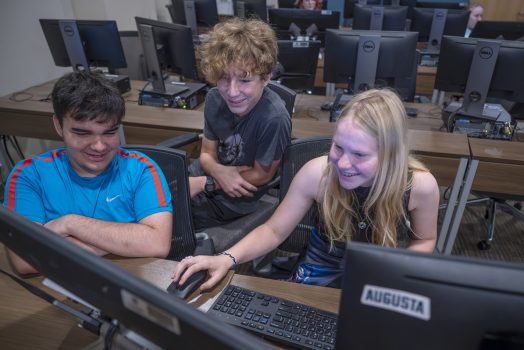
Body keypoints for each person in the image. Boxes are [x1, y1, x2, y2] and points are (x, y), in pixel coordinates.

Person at [173, 88, 440, 289]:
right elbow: (273, 230)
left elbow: (425, 240)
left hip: (383, 267)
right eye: (338, 147)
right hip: (323, 260)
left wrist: (399, 271)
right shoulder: (318, 173)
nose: (343, 163)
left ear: (391, 155)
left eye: (360, 154)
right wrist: (227, 258)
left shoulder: (419, 185)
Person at [3, 71, 173, 275]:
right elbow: (24, 259)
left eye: (110, 133)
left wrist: (69, 224)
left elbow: (157, 244)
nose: (99, 147)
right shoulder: (29, 175)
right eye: (83, 133)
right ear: (58, 125)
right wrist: (120, 242)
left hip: (129, 282)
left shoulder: (141, 169)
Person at [188, 17, 292, 230]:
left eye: (244, 80)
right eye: (224, 78)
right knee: (143, 195)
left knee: (167, 217)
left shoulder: (274, 117)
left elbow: (263, 174)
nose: (232, 92)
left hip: (236, 197)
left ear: (265, 78)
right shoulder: (214, 98)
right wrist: (218, 171)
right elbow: (207, 154)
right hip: (207, 175)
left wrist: (207, 183)